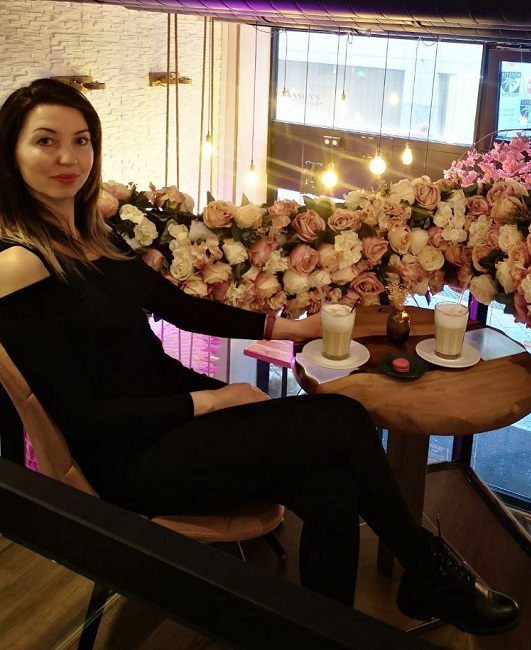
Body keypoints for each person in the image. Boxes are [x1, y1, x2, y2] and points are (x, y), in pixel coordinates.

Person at [0, 78, 519, 635]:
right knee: (342, 417)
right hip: (132, 459)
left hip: (172, 420)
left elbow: (179, 308)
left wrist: (290, 328)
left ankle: (327, 634)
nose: (68, 157)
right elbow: (87, 420)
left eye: (81, 140)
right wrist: (212, 399)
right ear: (11, 153)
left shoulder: (94, 235)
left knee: (333, 490)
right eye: (45, 141)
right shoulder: (19, 267)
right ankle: (426, 568)